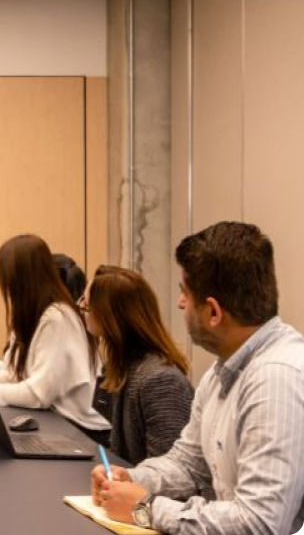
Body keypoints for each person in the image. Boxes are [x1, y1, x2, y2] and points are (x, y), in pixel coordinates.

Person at [93, 222, 304, 535]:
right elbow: (188, 463)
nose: (180, 304)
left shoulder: (275, 380)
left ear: (214, 312)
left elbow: (259, 523)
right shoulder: (223, 371)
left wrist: (145, 509)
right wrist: (134, 480)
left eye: (185, 294)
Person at [0, 234, 111, 442]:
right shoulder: (31, 313)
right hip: (54, 419)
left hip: (82, 431)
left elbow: (38, 395)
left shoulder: (58, 318)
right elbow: (14, 373)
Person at [81, 265, 193, 464]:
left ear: (110, 316)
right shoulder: (121, 366)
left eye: (86, 305)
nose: (81, 309)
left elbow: (170, 467)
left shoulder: (161, 381)